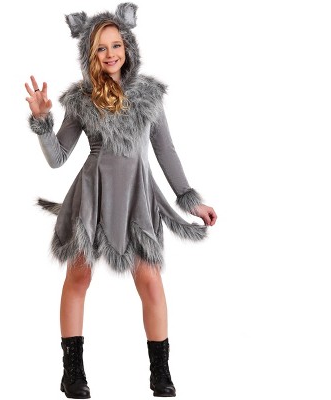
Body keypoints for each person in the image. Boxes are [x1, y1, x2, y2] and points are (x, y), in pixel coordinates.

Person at [25, 3, 217, 398]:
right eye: (101, 47)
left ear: (128, 46)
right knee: (79, 277)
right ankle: (72, 373)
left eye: (116, 45)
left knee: (149, 281)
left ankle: (160, 373)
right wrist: (42, 122)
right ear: (90, 54)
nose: (110, 53)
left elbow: (165, 151)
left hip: (136, 198)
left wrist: (189, 199)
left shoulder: (148, 95)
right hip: (92, 199)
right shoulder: (82, 99)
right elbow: (58, 158)